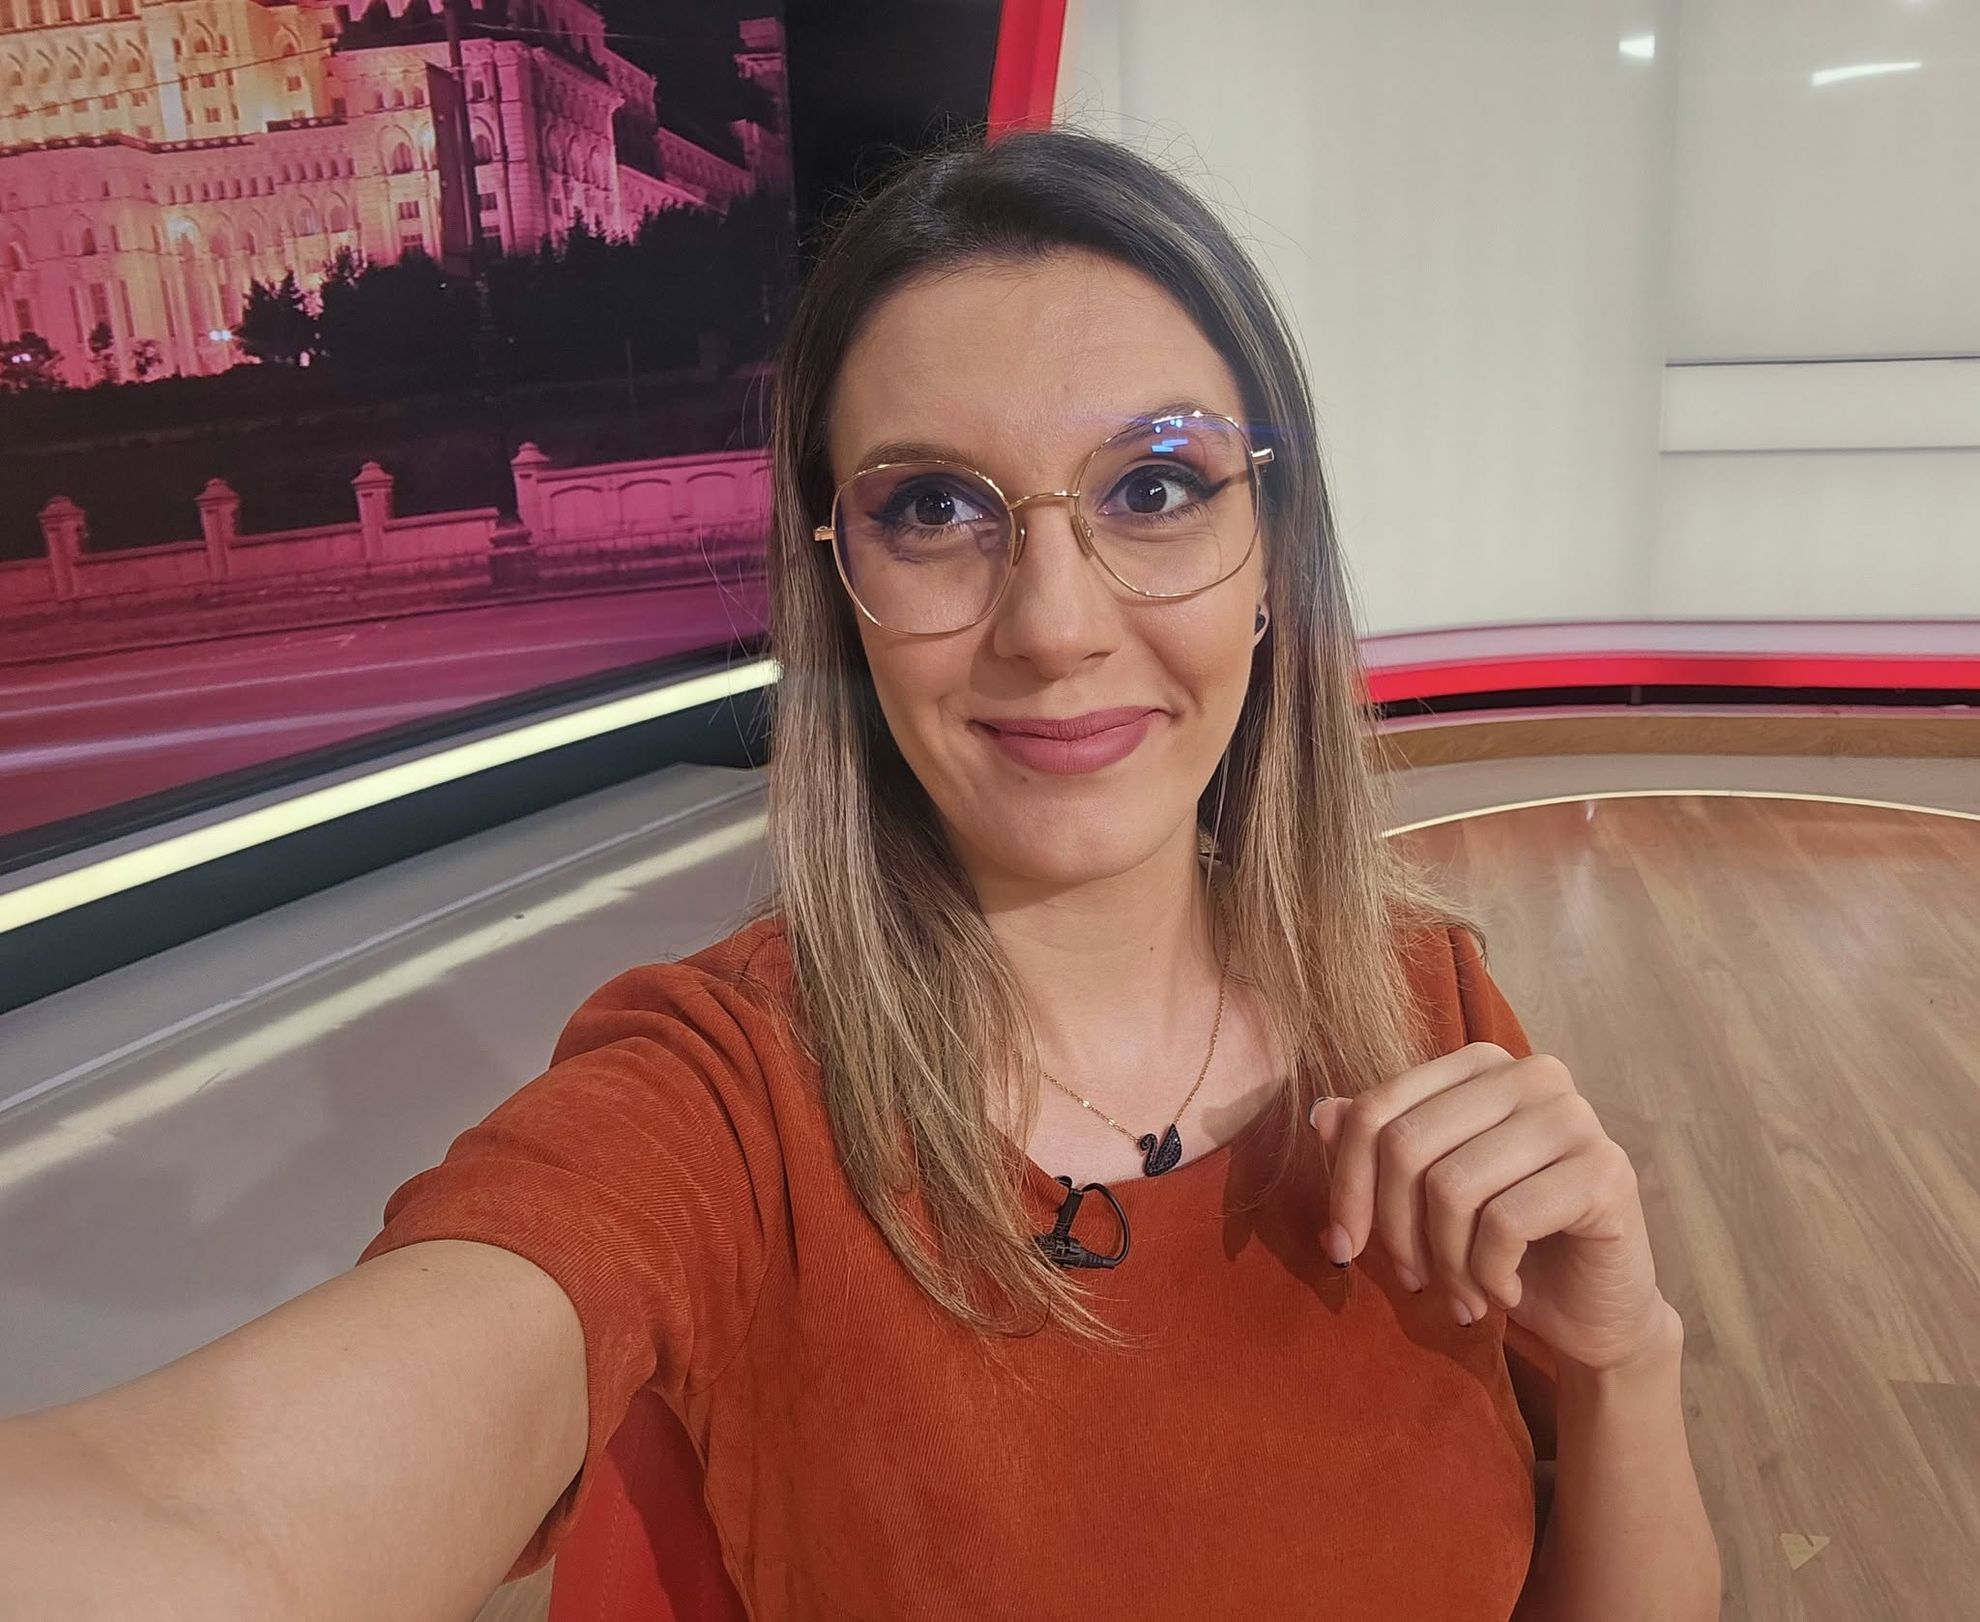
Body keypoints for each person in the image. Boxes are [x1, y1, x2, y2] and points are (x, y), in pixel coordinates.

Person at [0, 126, 1719, 1621]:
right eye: (934, 512)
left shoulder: (1423, 1001)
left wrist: (1626, 1358)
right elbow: (219, 1513)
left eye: (1154, 485)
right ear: (837, 588)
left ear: (1274, 553)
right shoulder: (730, 1104)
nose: (1053, 625)